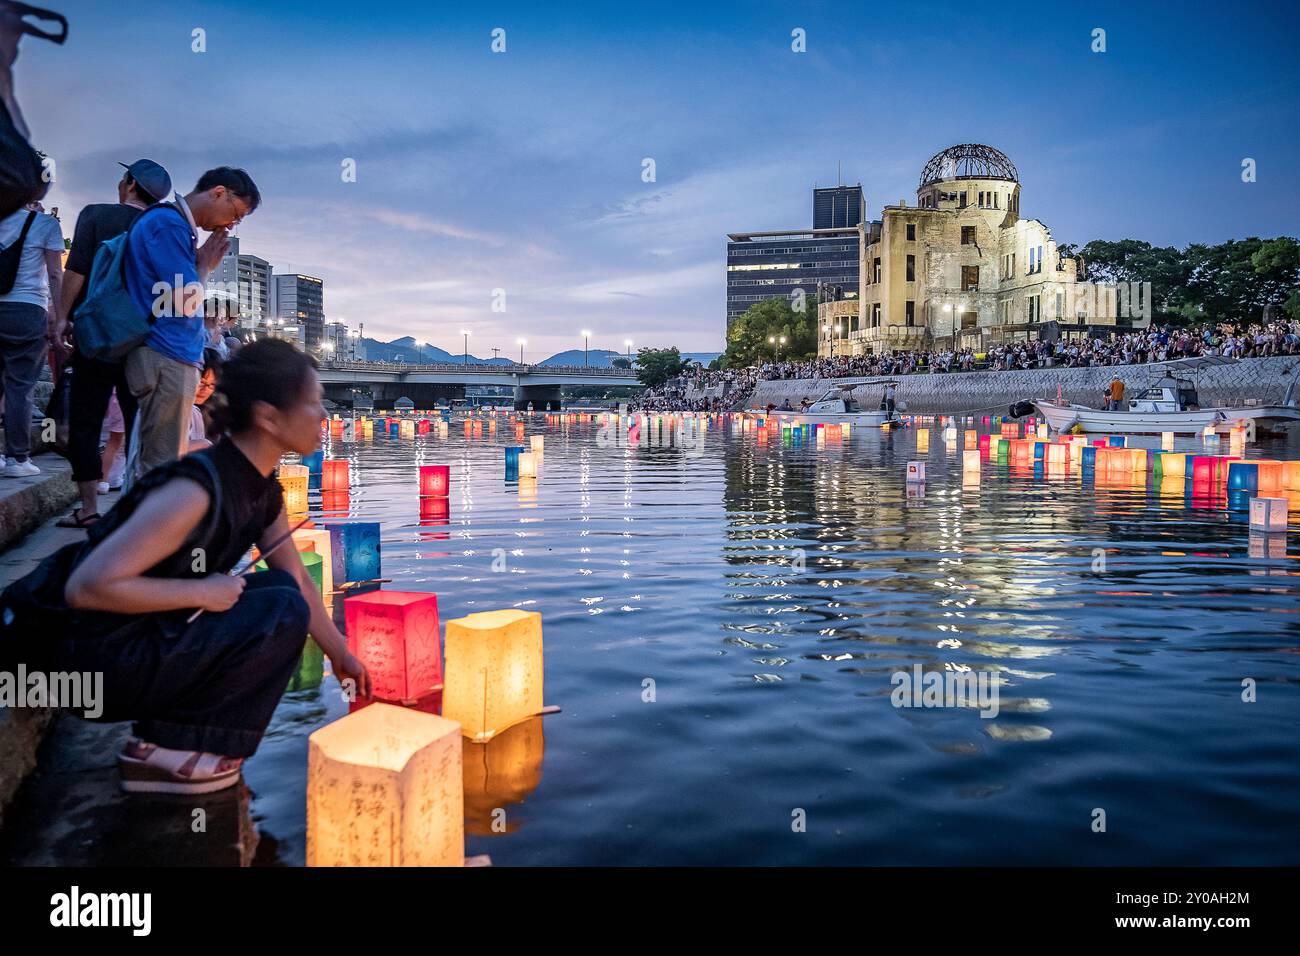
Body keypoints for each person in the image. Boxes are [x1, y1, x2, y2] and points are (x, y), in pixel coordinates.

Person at [0, 338, 370, 794]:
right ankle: (162, 754)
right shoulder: (196, 489)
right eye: (313, 403)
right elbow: (88, 587)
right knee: (279, 608)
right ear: (268, 416)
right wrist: (200, 592)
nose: (324, 415)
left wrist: (341, 654)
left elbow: (295, 579)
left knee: (280, 595)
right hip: (87, 658)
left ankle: (179, 740)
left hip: (133, 639)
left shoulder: (260, 487)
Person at [54, 159, 172, 528]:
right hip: (142, 339)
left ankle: (89, 510)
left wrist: (61, 316)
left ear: (130, 184)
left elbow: (77, 269)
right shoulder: (159, 227)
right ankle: (137, 512)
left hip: (96, 336)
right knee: (139, 422)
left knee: (86, 420)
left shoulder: (95, 215)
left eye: (124, 178)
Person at [124, 166, 260, 483]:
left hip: (171, 355)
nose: (232, 224)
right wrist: (205, 266)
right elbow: (184, 301)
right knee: (162, 463)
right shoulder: (168, 224)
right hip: (166, 354)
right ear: (218, 192)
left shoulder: (176, 227)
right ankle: (154, 528)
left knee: (162, 458)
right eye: (236, 213)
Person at [0, 199, 62, 476]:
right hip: (27, 308)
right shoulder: (46, 224)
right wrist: (60, 315)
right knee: (21, 386)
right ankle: (18, 459)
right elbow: (55, 274)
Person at [187, 348, 220, 453]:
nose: (205, 390)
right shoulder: (174, 407)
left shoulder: (210, 413)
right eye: (202, 382)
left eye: (211, 385)